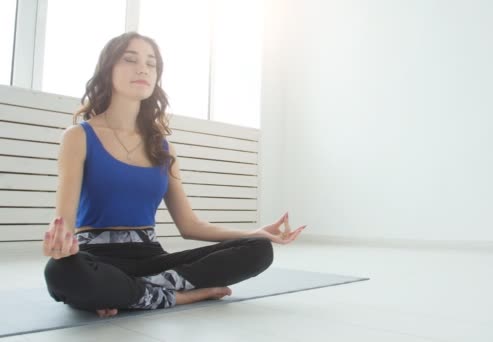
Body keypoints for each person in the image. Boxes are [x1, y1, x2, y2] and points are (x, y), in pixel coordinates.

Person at [42, 32, 306, 318]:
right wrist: (60, 247)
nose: (143, 68)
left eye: (151, 64)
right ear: (108, 70)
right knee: (59, 272)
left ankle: (132, 293)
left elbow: (190, 226)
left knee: (258, 249)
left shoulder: (162, 147)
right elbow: (63, 227)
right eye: (130, 60)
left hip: (152, 258)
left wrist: (253, 233)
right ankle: (180, 297)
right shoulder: (78, 137)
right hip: (95, 260)